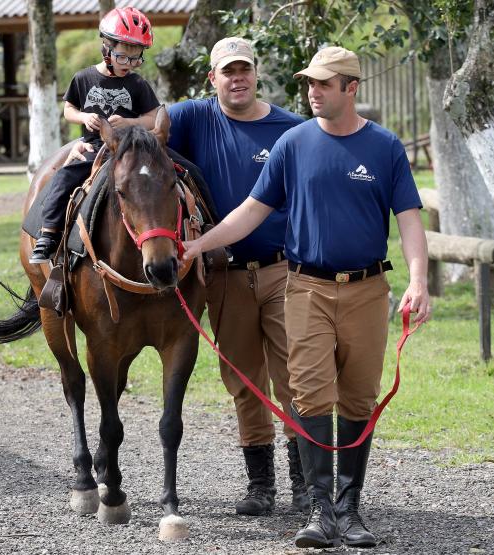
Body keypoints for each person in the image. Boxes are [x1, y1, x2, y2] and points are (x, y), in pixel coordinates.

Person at [181, 46, 431, 549]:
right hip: (306, 289)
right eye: (309, 85)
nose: (312, 92)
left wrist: (419, 281)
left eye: (323, 84)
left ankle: (350, 509)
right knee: (310, 393)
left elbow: (408, 221)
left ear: (351, 88)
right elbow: (250, 212)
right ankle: (319, 511)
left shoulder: (384, 147)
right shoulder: (292, 144)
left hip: (367, 290)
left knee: (359, 397)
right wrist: (197, 246)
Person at [167, 37, 307, 517]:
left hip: (283, 271)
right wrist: (100, 121)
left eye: (244, 69)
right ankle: (261, 486)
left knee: (295, 376)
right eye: (228, 71)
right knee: (244, 380)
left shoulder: (291, 129)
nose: (237, 78)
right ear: (213, 78)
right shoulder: (194, 119)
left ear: (256, 72)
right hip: (223, 276)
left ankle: (304, 483)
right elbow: (148, 133)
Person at [29, 6, 160, 264]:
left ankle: (204, 224)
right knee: (64, 177)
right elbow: (68, 110)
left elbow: (154, 117)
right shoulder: (83, 78)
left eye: (136, 59)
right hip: (94, 148)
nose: (129, 65)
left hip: (132, 151)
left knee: (183, 171)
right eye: (123, 57)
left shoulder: (137, 84)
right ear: (106, 48)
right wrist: (83, 117)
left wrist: (131, 122)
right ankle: (48, 233)